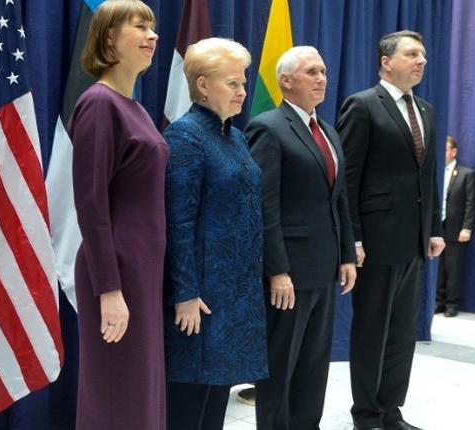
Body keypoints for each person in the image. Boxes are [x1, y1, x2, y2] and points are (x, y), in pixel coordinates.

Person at [336, 30, 445, 430]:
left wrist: (434, 227)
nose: (421, 61)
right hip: (377, 242)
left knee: (402, 334)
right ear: (387, 61)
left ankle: (390, 411)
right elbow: (347, 178)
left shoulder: (426, 111)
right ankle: (365, 415)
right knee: (372, 332)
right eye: (412, 54)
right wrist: (355, 238)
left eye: (424, 55)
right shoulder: (363, 106)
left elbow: (428, 176)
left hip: (414, 242)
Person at [246, 46, 358, 430]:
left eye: (323, 71)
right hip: (288, 274)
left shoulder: (327, 130)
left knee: (313, 364)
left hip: (325, 268)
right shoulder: (268, 127)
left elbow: (338, 196)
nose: (321, 78)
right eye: (311, 72)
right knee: (282, 366)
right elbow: (264, 206)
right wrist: (277, 270)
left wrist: (346, 253)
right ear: (286, 81)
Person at [68, 1, 166, 428]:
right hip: (116, 271)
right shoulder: (98, 105)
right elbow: (91, 203)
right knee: (116, 391)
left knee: (139, 389)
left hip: (142, 270)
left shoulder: (137, 108)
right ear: (109, 36)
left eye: (154, 27)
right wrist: (109, 288)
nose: (153, 35)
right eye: (140, 26)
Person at [163, 37, 268, 430]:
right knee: (190, 401)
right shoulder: (186, 137)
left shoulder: (235, 137)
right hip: (202, 298)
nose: (243, 92)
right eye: (233, 84)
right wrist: (185, 293)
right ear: (203, 85)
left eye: (243, 83)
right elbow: (179, 222)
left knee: (216, 398)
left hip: (235, 294)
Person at [436, 136, 475, 317]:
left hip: (455, 228)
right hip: (437, 228)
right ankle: (438, 301)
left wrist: (467, 228)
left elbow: (471, 203)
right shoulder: (436, 172)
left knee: (453, 268)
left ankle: (452, 303)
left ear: (454, 152)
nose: (443, 153)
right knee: (437, 267)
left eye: (446, 149)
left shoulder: (466, 174)